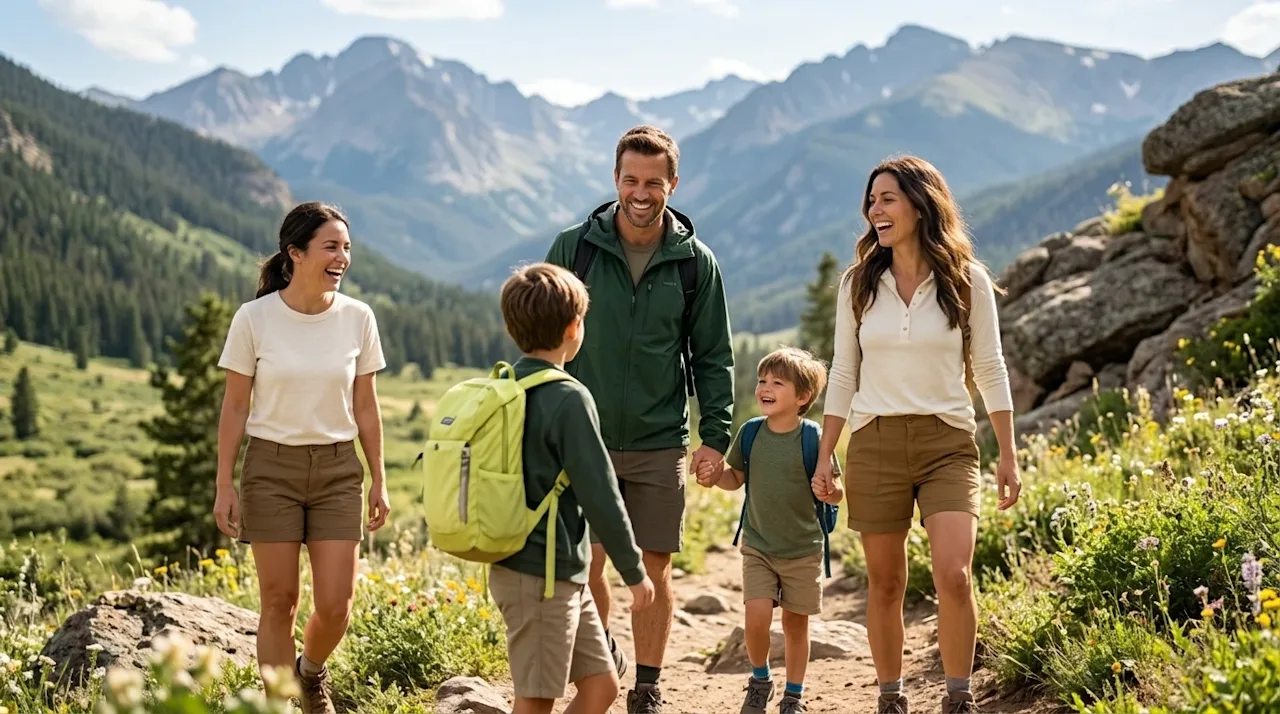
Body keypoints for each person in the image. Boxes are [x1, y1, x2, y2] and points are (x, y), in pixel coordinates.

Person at [811, 156, 1022, 714]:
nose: (874, 210)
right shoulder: (858, 285)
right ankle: (890, 698)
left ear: (920, 203)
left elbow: (991, 367)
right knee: (885, 584)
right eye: (871, 200)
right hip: (875, 442)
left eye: (887, 199)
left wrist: (1008, 452)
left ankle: (958, 698)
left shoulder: (966, 279)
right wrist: (826, 454)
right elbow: (844, 372)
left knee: (954, 575)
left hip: (947, 443)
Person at [544, 124, 736, 713]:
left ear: (672, 184)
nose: (641, 192)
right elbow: (540, 337)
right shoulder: (573, 249)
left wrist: (715, 437)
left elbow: (712, 355)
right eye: (631, 179)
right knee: (590, 563)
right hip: (583, 437)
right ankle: (602, 662)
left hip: (659, 441)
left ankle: (647, 687)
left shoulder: (694, 264)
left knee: (653, 567)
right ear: (615, 180)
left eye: (654, 182)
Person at [213, 201, 392, 713]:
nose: (343, 258)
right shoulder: (254, 319)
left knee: (336, 605)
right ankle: (279, 707)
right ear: (295, 253)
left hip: (338, 470)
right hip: (271, 469)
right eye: (331, 247)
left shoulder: (358, 318)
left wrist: (379, 478)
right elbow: (236, 404)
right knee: (278, 601)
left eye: (347, 247)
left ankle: (309, 673)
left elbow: (366, 405)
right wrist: (225, 484)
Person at [489, 262, 656, 714]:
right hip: (539, 574)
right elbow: (600, 493)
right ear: (573, 327)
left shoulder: (506, 385)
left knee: (602, 685)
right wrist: (633, 570)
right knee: (537, 700)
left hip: (558, 571)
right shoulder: (568, 397)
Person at [696, 347, 843, 714]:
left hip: (803, 549)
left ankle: (793, 695)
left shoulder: (814, 438)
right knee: (756, 616)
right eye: (763, 380)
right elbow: (736, 479)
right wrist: (716, 478)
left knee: (795, 625)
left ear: (803, 397)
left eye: (778, 382)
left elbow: (837, 489)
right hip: (758, 545)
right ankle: (760, 679)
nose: (766, 387)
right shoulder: (750, 433)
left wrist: (830, 490)